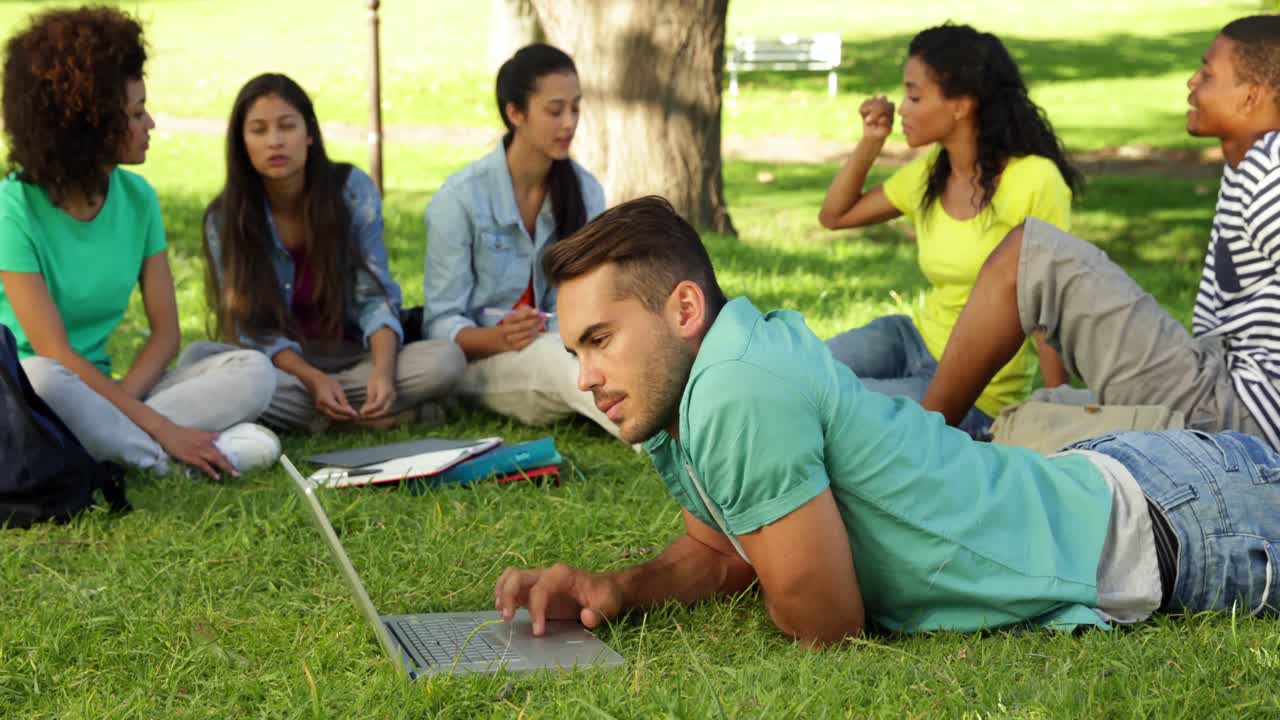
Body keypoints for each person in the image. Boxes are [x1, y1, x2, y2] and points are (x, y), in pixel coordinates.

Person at [492, 196, 1280, 646]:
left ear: (685, 308)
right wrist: (616, 588)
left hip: (1183, 525)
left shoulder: (735, 386)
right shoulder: (706, 382)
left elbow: (821, 621)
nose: (585, 377)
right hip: (1141, 483)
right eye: (576, 350)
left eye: (600, 340)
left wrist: (787, 553)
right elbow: (720, 550)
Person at [921, 15, 1280, 452]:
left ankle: (916, 448)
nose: (1191, 82)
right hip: (1223, 387)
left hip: (1238, 414)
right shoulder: (1249, 163)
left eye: (1207, 73)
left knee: (1030, 257)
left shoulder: (1271, 171)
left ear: (1251, 96)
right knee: (1043, 413)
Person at [0, 6, 278, 480]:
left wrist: (127, 406)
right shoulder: (12, 210)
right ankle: (162, 462)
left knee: (253, 369)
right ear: (86, 126)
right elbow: (54, 353)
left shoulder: (139, 200)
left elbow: (166, 333)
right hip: (32, 399)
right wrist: (161, 427)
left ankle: (115, 449)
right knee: (44, 380)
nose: (149, 123)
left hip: (111, 393)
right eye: (134, 113)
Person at [818, 24, 1078, 438]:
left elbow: (1048, 304)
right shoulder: (931, 173)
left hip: (974, 392)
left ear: (960, 106)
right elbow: (835, 216)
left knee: (829, 403)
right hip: (911, 339)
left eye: (915, 96)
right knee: (799, 371)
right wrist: (872, 140)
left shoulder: (1035, 181)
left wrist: (1059, 407)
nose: (902, 108)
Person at [199, 73, 466, 433]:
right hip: (283, 372)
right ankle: (370, 417)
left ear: (309, 133)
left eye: (286, 126)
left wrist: (383, 374)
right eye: (259, 130)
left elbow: (376, 298)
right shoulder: (224, 220)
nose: (275, 142)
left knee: (445, 360)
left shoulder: (350, 190)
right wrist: (312, 379)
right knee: (222, 374)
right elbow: (253, 332)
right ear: (242, 143)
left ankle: (327, 417)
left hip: (355, 357)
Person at [423, 44, 620, 439]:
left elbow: (596, 297)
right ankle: (653, 439)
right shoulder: (459, 198)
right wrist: (496, 338)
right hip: (484, 363)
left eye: (576, 108)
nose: (569, 122)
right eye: (554, 110)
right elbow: (440, 322)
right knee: (555, 359)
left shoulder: (585, 191)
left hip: (565, 348)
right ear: (515, 113)